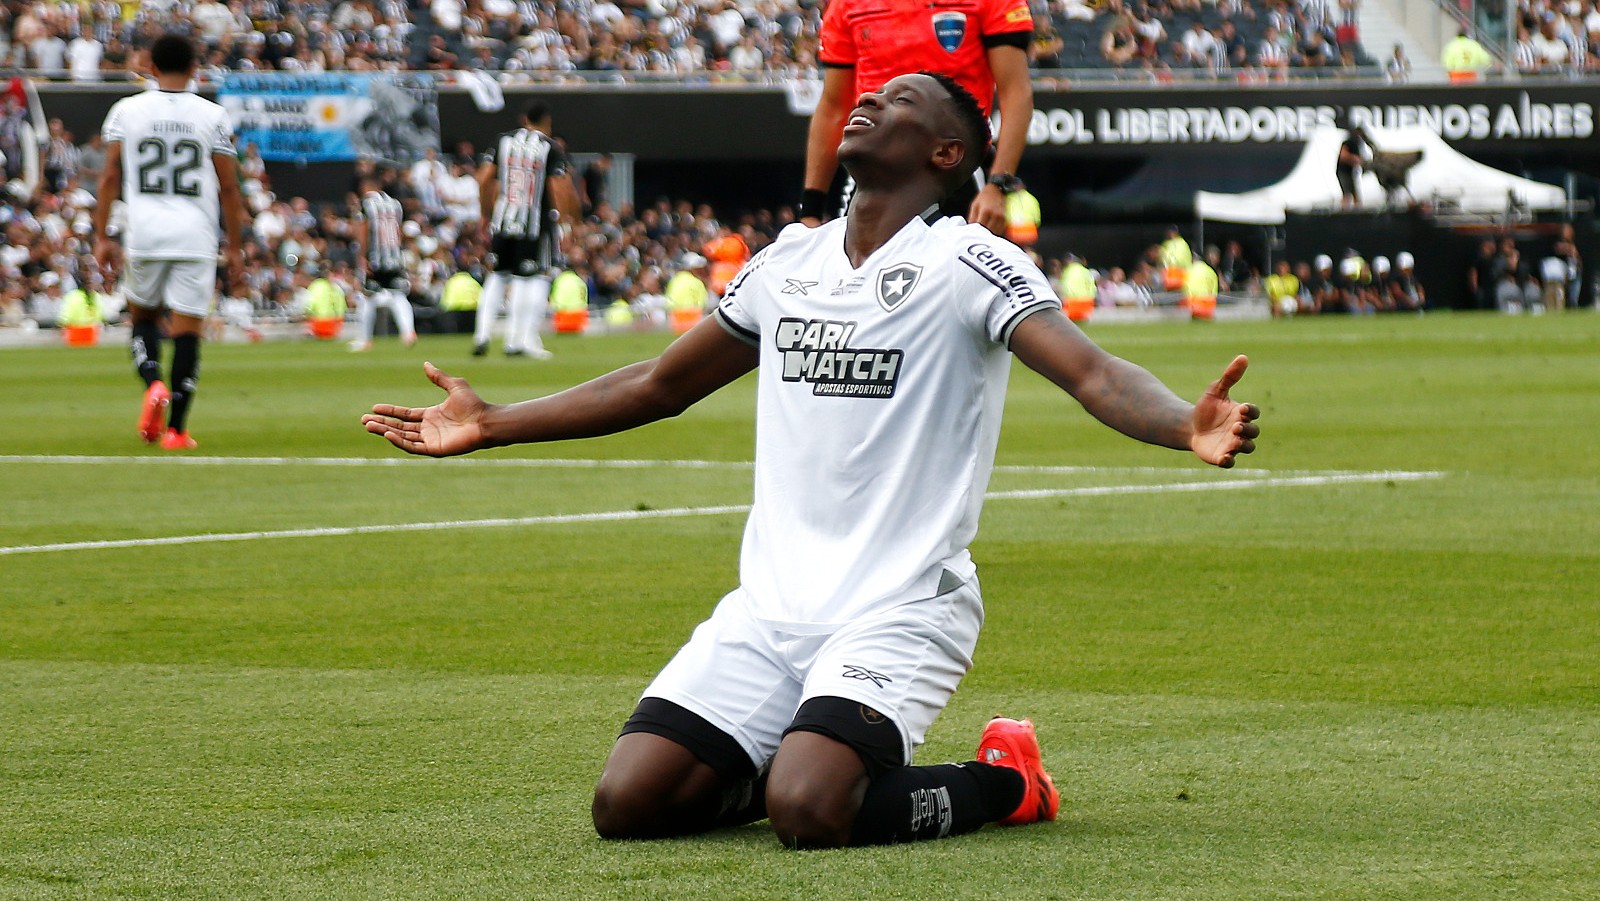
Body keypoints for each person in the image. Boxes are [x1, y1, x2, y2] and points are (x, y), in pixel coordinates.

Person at [363, 72, 1260, 850]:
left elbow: (1093, 372)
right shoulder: (788, 260)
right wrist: (494, 422)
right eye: (867, 94)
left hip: (901, 605)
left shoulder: (967, 260)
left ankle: (1007, 781)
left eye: (899, 100)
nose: (866, 100)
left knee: (810, 811)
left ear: (948, 155)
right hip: (771, 607)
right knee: (629, 803)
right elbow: (657, 383)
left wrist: (1185, 423)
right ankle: (795, 749)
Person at [92, 33, 245, 451]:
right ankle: (176, 430)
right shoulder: (212, 115)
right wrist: (234, 246)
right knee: (188, 332)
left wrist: (103, 235)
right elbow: (229, 188)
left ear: (150, 66)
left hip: (144, 232)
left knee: (142, 318)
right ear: (195, 69)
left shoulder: (127, 111)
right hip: (195, 235)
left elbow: (109, 177)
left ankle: (152, 381)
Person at [799, 0, 1034, 235]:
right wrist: (810, 210)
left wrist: (998, 184)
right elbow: (833, 107)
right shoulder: (846, 5)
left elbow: (1016, 93)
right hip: (874, 170)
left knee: (957, 268)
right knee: (859, 267)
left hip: (955, 169)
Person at [472, 103, 580, 358]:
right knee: (532, 278)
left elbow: (484, 178)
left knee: (497, 276)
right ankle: (517, 340)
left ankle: (482, 335)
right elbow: (560, 188)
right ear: (546, 122)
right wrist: (566, 221)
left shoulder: (503, 140)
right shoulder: (549, 147)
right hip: (535, 224)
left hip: (503, 219)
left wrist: (485, 213)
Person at [349, 172, 418, 351]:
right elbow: (399, 230)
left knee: (367, 297)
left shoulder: (366, 204)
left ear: (364, 188)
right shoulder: (395, 204)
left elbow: (363, 230)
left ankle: (365, 340)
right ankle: (408, 333)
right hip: (394, 256)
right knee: (398, 295)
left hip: (375, 258)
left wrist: (361, 256)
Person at [1337, 126, 1368, 211]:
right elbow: (1343, 155)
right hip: (1343, 171)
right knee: (1346, 193)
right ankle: (1342, 212)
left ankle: (1358, 211)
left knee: (1355, 194)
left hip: (1350, 172)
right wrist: (1355, 159)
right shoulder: (1348, 142)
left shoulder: (1358, 144)